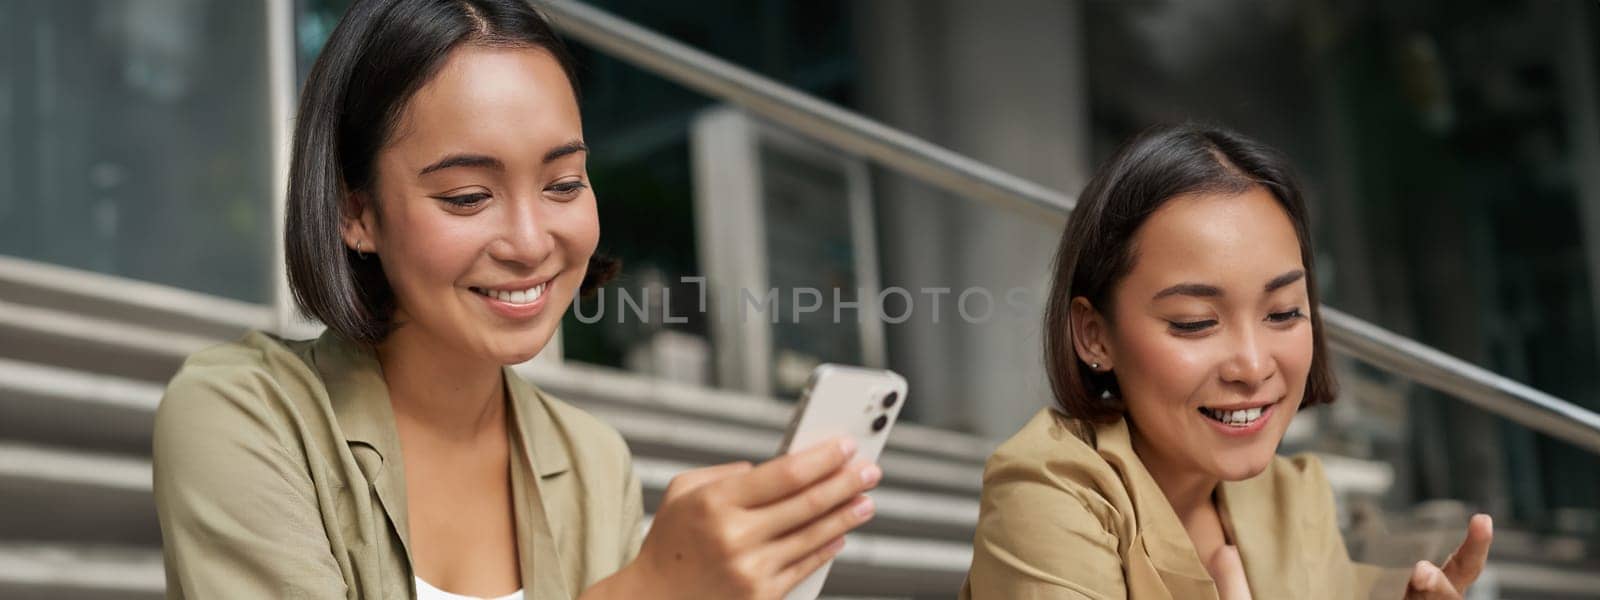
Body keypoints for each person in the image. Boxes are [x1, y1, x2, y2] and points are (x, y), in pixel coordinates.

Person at [151, 1, 881, 598]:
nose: (532, 241)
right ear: (356, 213)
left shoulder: (593, 461)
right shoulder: (240, 414)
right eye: (469, 196)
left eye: (564, 184)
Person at [960, 124, 1493, 599]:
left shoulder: (1292, 497)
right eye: (1194, 321)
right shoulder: (1046, 494)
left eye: (1284, 313)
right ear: (1095, 334)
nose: (1253, 365)